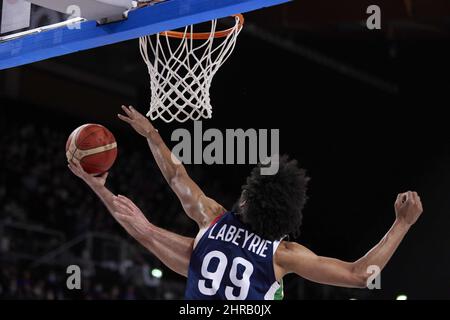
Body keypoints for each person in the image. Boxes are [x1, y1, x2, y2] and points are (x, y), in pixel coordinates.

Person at [69, 105, 424, 300]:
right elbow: (360, 275)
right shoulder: (284, 255)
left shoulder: (212, 219)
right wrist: (402, 223)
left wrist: (152, 135)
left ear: (248, 198)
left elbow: (176, 178)